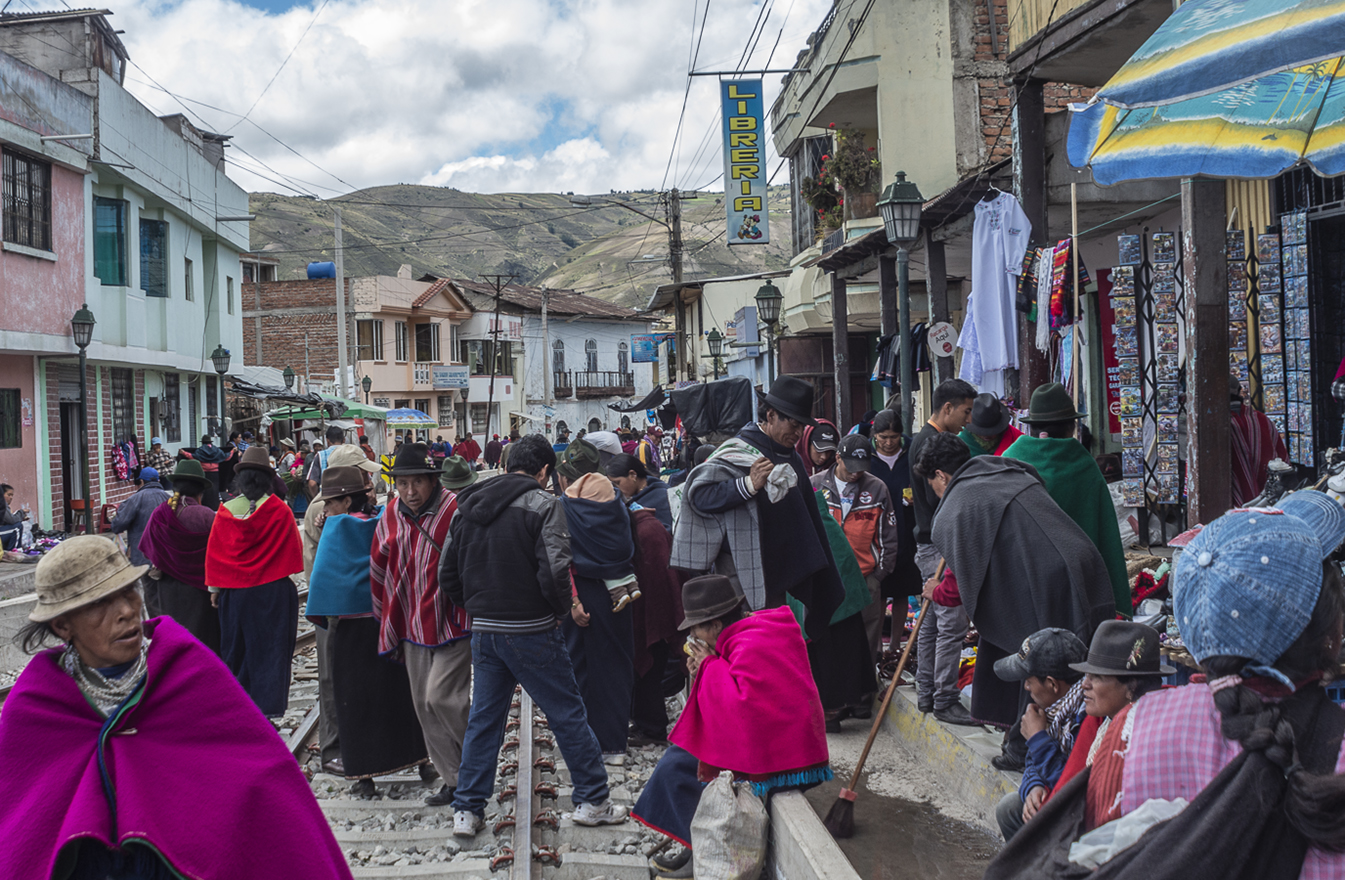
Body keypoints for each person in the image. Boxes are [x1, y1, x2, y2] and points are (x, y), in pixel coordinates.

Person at [0, 536, 352, 880]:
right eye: (99, 604)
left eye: (128, 593)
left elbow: (262, 776)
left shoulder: (186, 671)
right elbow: (18, 821)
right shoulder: (38, 704)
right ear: (62, 625)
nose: (126, 611)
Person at [441, 434, 626, 835]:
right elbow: (557, 570)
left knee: (484, 719)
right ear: (544, 472)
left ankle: (468, 810)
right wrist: (559, 610)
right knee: (567, 713)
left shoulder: (466, 505)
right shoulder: (544, 505)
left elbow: (447, 574)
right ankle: (593, 799)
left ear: (507, 465)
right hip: (531, 629)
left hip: (485, 631)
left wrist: (475, 606)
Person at [915, 431, 1113, 748]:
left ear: (941, 475)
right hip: (1083, 560)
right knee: (1077, 659)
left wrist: (935, 590)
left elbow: (959, 589)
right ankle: (1057, 741)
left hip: (1046, 580)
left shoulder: (956, 505)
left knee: (1039, 662)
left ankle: (1029, 748)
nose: (938, 493)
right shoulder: (1006, 469)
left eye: (934, 485)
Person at [632, 575, 832, 876]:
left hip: (785, 758)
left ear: (714, 625)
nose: (694, 636)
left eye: (697, 627)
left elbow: (741, 706)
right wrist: (707, 667)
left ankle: (702, 848)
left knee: (679, 769)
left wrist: (709, 667)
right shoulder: (748, 631)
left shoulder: (751, 642)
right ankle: (695, 845)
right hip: (774, 742)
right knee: (678, 759)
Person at [670, 376, 844, 632]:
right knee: (750, 638)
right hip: (743, 573)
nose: (797, 434)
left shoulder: (790, 456)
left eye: (801, 427)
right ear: (771, 415)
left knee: (776, 637)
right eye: (793, 425)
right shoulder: (739, 451)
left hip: (780, 573)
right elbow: (700, 497)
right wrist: (748, 485)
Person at [308, 466, 430, 797]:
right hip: (390, 622)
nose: (326, 509)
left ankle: (365, 773)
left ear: (347, 500)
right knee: (403, 694)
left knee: (356, 702)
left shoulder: (337, 530)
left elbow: (324, 579)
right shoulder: (387, 521)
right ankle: (421, 759)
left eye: (331, 502)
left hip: (351, 629)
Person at [370, 442, 471, 807]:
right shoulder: (393, 512)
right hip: (411, 619)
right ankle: (455, 780)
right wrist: (385, 614)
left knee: (443, 697)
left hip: (452, 621)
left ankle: (475, 766)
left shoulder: (455, 511)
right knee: (423, 706)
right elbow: (379, 561)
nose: (409, 492)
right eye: (402, 484)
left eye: (417, 483)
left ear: (433, 480)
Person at [1003, 382, 1132, 617]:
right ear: (1070, 427)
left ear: (1031, 427)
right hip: (1077, 582)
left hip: (1023, 580)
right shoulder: (1083, 464)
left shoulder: (1008, 461)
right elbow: (1104, 535)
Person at [301, 445, 385, 776]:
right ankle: (333, 748)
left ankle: (362, 743)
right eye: (362, 472)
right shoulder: (322, 511)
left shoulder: (359, 507)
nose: (369, 478)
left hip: (354, 604)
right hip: (332, 604)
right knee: (330, 678)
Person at [205, 447, 304, 717]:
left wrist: (215, 589)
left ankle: (240, 706)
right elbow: (293, 551)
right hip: (272, 592)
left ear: (241, 478)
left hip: (235, 592)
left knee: (236, 650)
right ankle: (269, 707)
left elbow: (215, 552)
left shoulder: (225, 510)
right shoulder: (280, 510)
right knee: (272, 649)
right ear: (267, 479)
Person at [556, 443, 639, 755]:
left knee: (579, 668)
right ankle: (613, 738)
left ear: (568, 479)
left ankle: (584, 741)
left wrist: (573, 602)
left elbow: (560, 559)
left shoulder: (566, 510)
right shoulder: (617, 504)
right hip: (620, 592)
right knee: (616, 663)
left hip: (583, 594)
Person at [811, 434, 902, 705]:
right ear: (837, 457)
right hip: (827, 580)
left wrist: (879, 575)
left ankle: (863, 699)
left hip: (866, 579)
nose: (855, 473)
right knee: (833, 641)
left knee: (868, 640)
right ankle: (836, 700)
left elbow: (889, 537)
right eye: (850, 466)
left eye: (861, 468)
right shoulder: (815, 486)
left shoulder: (877, 489)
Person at [991, 628, 1088, 841]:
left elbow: (1073, 786)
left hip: (1082, 814)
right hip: (1060, 800)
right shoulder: (1055, 711)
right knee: (1010, 809)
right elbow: (1033, 763)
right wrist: (1034, 785)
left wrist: (1038, 739)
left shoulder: (1086, 717)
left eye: (1029, 679)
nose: (1026, 686)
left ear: (1052, 684)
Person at [139, 460, 220, 654]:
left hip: (168, 593)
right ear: (201, 491)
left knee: (175, 646)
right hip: (203, 595)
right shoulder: (207, 516)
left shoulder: (160, 514)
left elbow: (148, 550)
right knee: (204, 646)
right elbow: (221, 553)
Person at [866, 410, 921, 625]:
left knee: (902, 590)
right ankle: (878, 643)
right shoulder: (868, 459)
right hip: (875, 531)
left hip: (906, 529)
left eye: (894, 437)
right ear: (875, 436)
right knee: (879, 590)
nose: (889, 443)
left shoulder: (910, 455)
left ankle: (896, 645)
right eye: (883, 437)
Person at [1231, 372, 1288, 506]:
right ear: (1240, 392)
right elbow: (1282, 458)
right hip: (1268, 497)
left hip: (1233, 499)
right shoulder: (1261, 419)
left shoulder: (1218, 424)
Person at [108, 467, 169, 566]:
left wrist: (115, 519)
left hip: (142, 558)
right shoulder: (170, 499)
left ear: (141, 481)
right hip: (167, 558)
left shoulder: (134, 500)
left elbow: (117, 525)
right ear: (158, 480)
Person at [607, 452, 673, 531]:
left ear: (633, 475)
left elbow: (665, 532)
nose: (617, 489)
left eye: (618, 483)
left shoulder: (662, 496)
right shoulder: (631, 499)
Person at [959, 393, 1022, 457]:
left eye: (992, 431)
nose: (986, 435)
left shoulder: (1016, 438)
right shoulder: (960, 444)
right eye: (981, 432)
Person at [307, 425, 347, 493]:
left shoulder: (320, 455)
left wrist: (317, 499)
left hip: (327, 498)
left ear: (327, 440)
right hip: (349, 498)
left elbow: (312, 484)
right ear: (344, 440)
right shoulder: (352, 453)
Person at [0, 483, 30, 551]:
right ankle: (15, 551)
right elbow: (12, 520)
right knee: (17, 528)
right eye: (9, 495)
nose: (11, 498)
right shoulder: (2, 505)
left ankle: (9, 550)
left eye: (12, 495)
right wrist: (21, 512)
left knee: (15, 527)